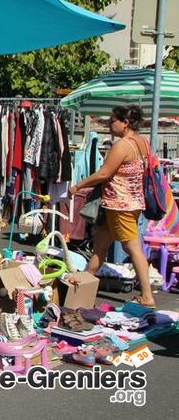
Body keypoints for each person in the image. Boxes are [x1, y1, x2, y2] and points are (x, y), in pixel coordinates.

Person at [68, 105, 155, 308]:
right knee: (101, 245)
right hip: (123, 202)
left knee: (132, 248)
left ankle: (147, 296)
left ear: (125, 123)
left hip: (121, 204)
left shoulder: (123, 145)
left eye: (113, 120)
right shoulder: (142, 143)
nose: (109, 124)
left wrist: (78, 186)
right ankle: (85, 281)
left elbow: (104, 174)